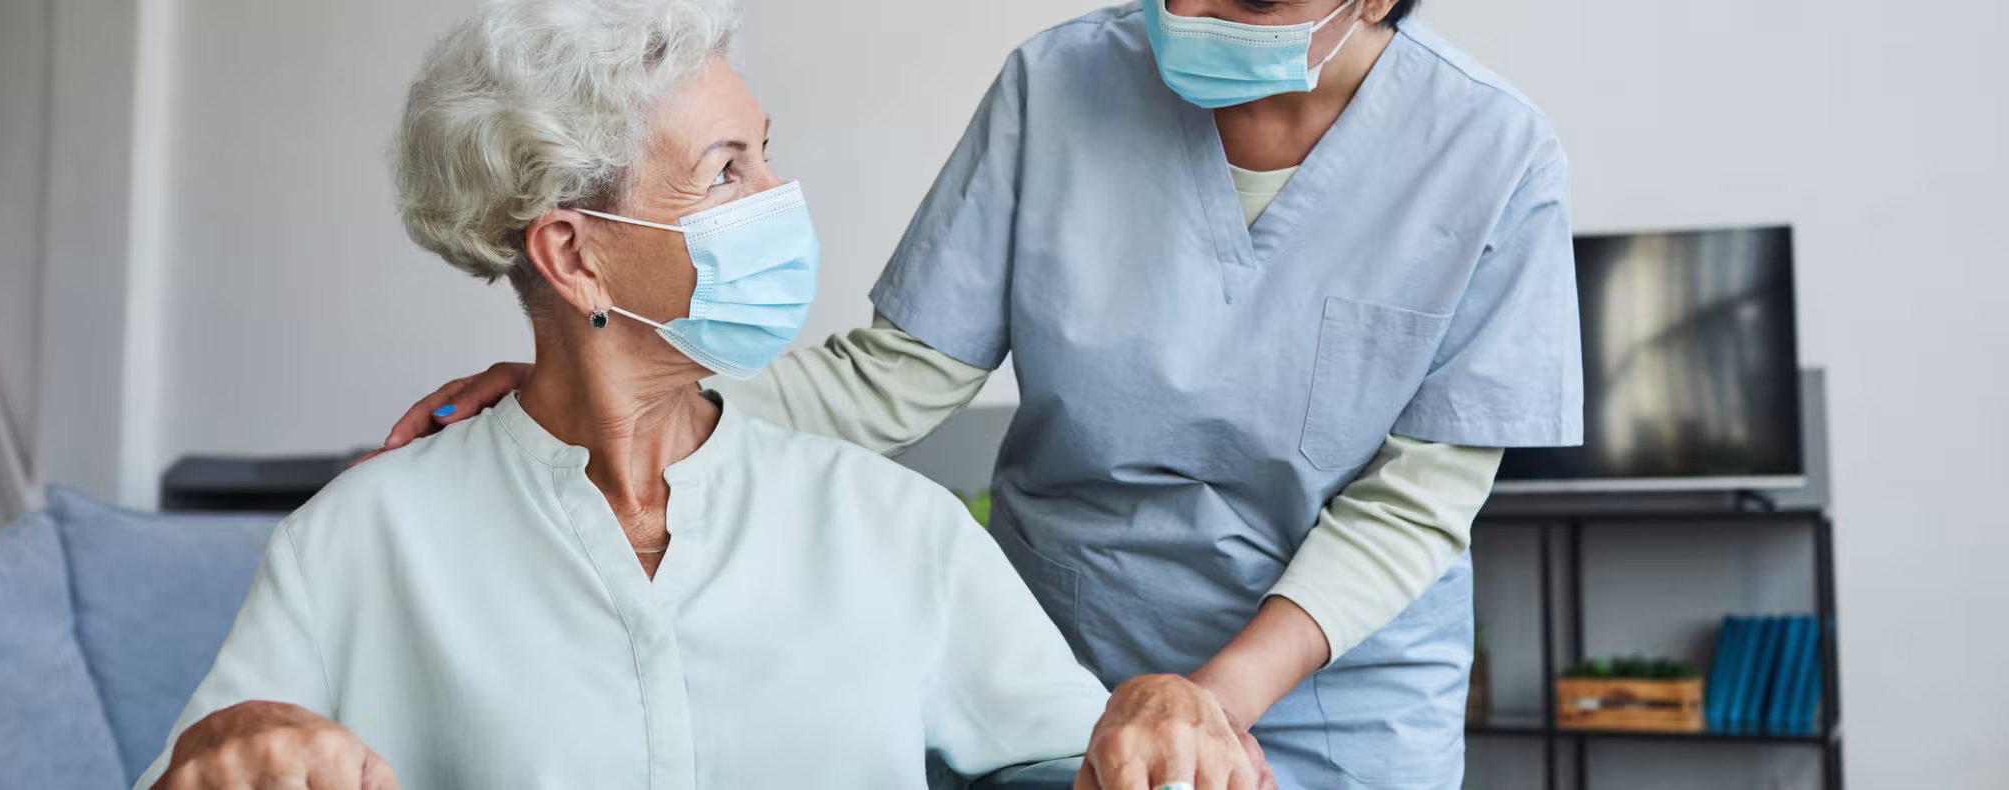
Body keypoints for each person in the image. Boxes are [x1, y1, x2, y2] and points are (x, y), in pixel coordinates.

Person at [386, 0, 1583, 786]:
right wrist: (607, 405)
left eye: (1252, 0)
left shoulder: (1488, 153)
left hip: (1336, 696)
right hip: (1059, 659)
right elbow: (900, 375)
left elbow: (1412, 506)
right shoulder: (1059, 85)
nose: (1202, 16)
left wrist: (1205, 704)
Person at [137, 1, 1264, 788]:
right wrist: (231, 741)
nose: (779, 198)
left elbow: (1085, 759)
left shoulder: (890, 529)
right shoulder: (361, 539)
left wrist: (1151, 709)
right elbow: (214, 765)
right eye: (727, 170)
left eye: (764, 155)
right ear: (574, 256)